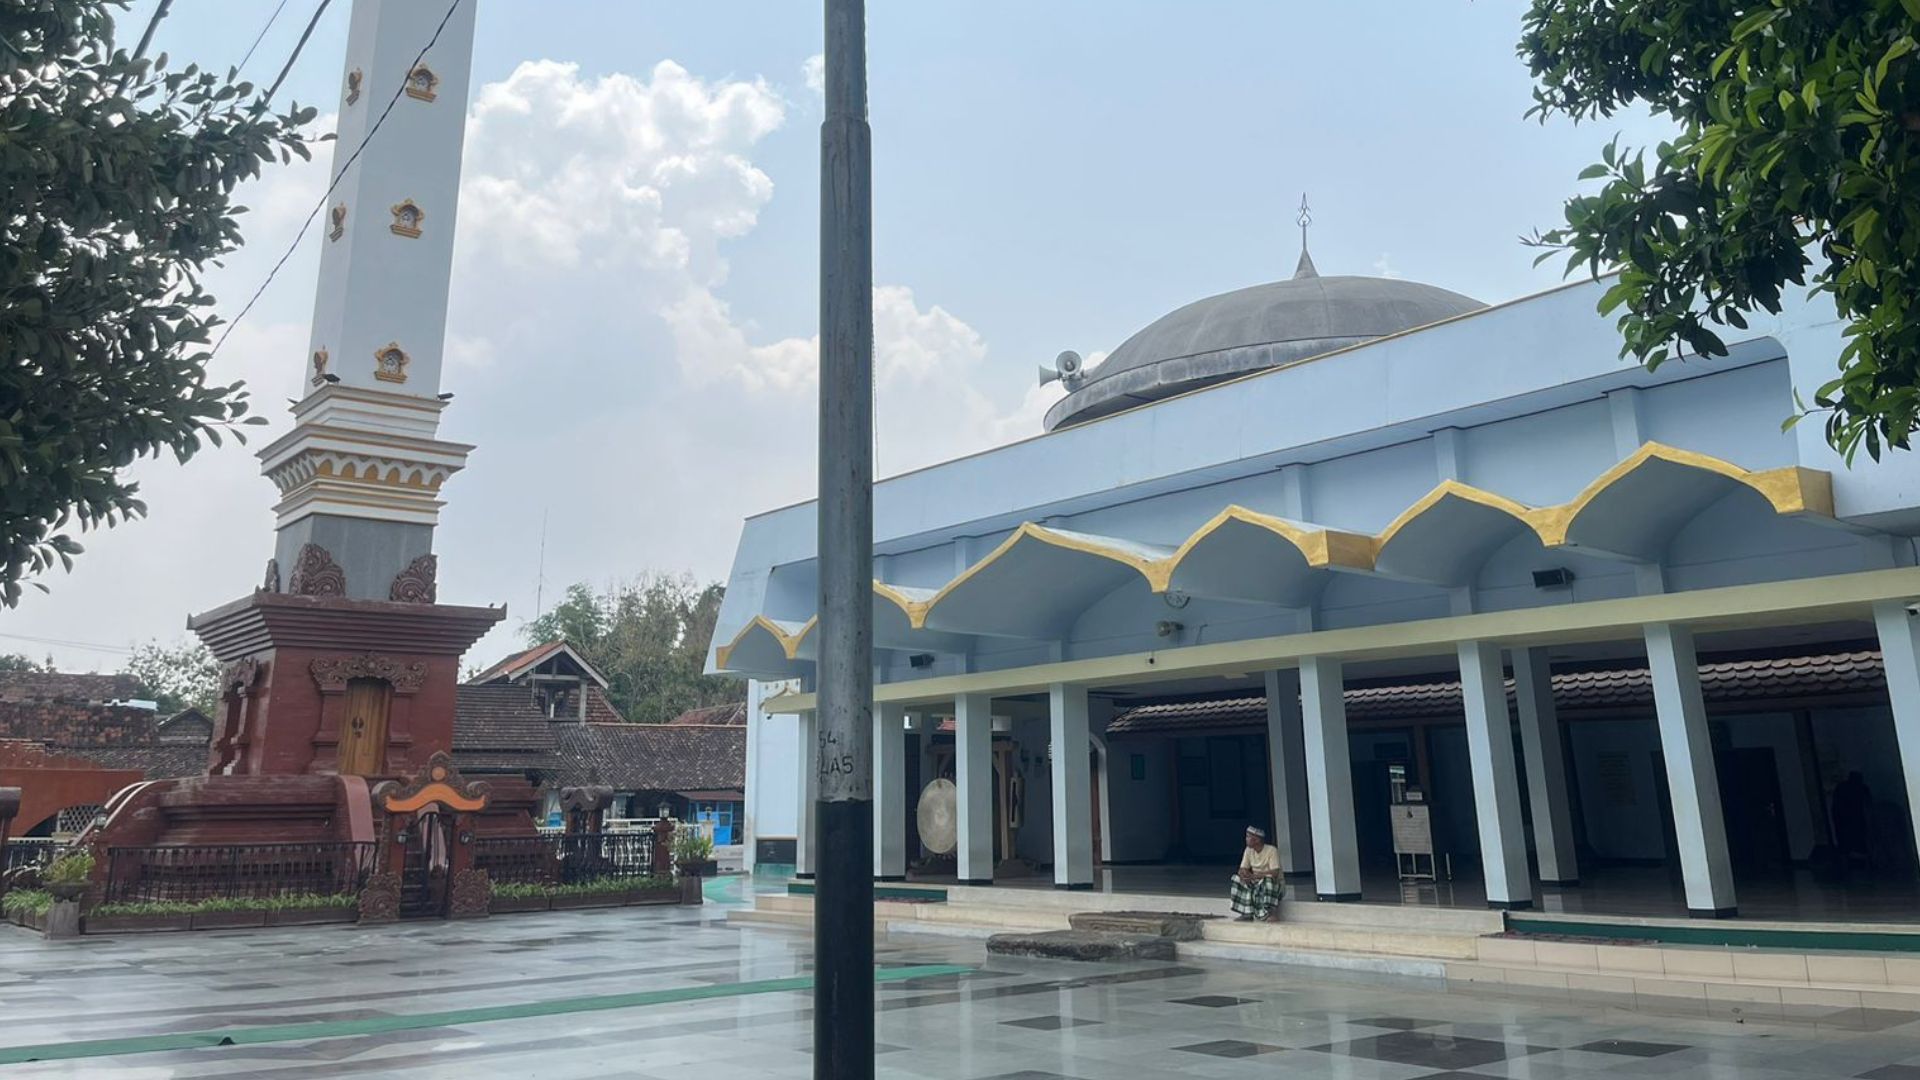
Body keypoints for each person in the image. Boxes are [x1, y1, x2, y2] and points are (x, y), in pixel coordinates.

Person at [1228, 826, 1283, 922]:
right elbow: (1242, 868)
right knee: (1236, 879)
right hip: (1256, 883)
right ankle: (1246, 913)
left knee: (1268, 880)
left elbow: (1275, 873)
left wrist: (1253, 876)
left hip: (1275, 885)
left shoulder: (1271, 850)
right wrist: (1244, 875)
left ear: (1257, 840)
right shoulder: (1248, 850)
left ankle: (1271, 913)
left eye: (1248, 837)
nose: (1246, 839)